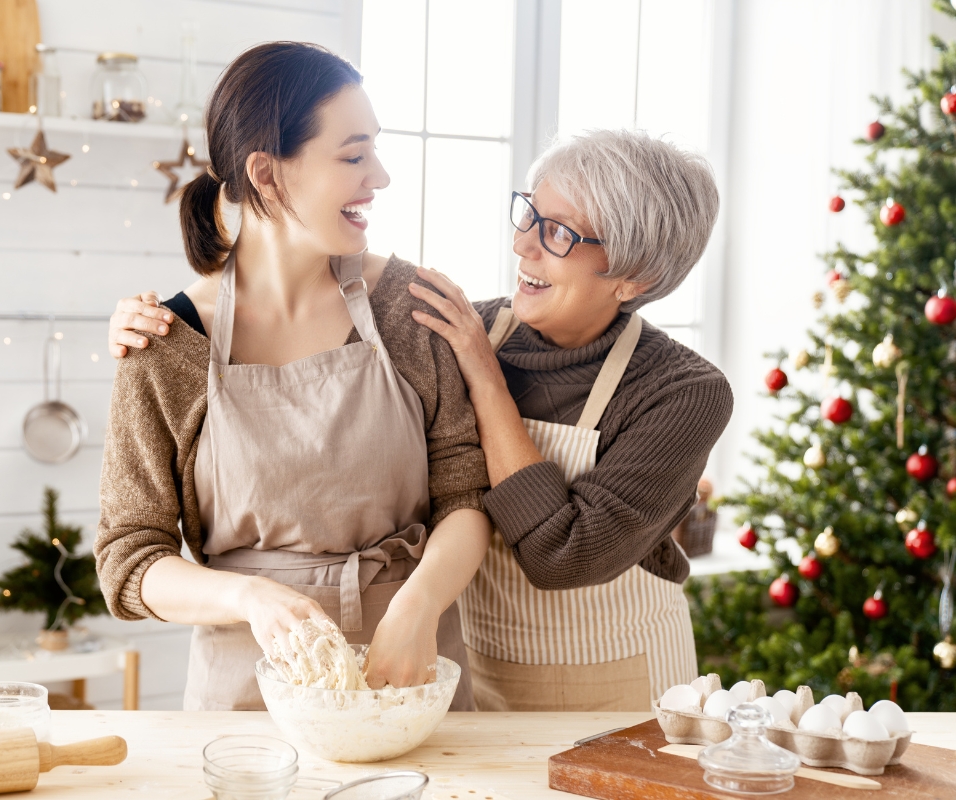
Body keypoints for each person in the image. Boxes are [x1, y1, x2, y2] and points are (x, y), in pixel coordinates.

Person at [110, 128, 732, 712]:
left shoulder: (684, 392)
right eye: (528, 215)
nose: (523, 245)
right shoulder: (456, 324)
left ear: (635, 276)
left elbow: (561, 554)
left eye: (560, 233)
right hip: (467, 669)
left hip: (615, 681)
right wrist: (158, 326)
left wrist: (484, 375)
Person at [94, 41, 491, 712]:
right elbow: (130, 561)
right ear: (268, 175)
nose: (381, 177)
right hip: (248, 703)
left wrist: (417, 606)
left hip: (412, 683)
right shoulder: (166, 344)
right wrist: (246, 597)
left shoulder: (408, 309)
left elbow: (466, 501)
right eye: (354, 155)